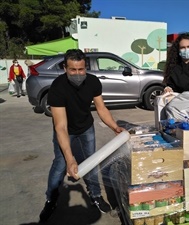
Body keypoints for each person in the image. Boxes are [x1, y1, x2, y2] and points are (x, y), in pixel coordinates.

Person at [39, 49, 125, 222]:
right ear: (65, 68)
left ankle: (95, 195)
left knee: (91, 162)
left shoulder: (93, 82)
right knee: (60, 165)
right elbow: (61, 126)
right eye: (73, 70)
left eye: (81, 69)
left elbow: (101, 108)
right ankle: (51, 199)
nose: (78, 74)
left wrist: (115, 127)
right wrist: (70, 158)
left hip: (86, 127)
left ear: (85, 67)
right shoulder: (58, 87)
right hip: (66, 130)